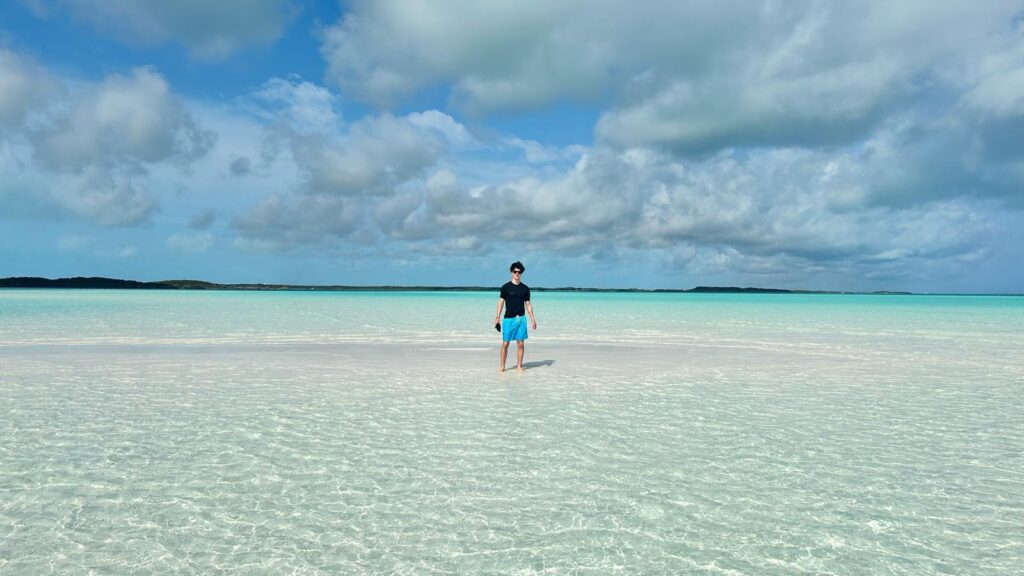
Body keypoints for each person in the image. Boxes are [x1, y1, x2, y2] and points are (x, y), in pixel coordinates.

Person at [494, 261, 538, 372]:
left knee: (521, 344)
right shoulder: (505, 287)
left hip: (521, 319)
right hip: (508, 319)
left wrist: (533, 319)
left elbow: (528, 304)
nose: (517, 273)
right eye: (515, 271)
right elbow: (501, 302)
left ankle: (519, 366)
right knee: (505, 343)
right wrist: (497, 317)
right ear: (511, 272)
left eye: (519, 272)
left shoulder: (525, 288)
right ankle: (502, 366)